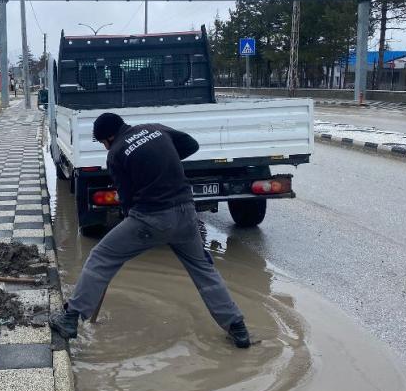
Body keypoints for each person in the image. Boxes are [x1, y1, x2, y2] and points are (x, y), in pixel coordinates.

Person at [49, 112, 255, 348]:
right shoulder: (155, 129)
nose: (105, 147)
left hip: (150, 218)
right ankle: (237, 327)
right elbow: (191, 145)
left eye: (104, 143)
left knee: (101, 257)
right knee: (203, 269)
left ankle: (70, 318)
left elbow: (127, 202)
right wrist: (160, 162)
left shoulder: (116, 154)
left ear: (109, 137)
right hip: (186, 214)